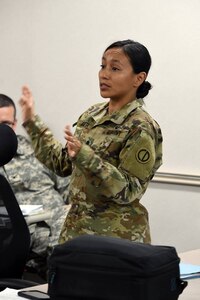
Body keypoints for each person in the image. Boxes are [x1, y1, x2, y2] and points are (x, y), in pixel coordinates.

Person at [19, 39, 163, 245]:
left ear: (138, 78)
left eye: (115, 68)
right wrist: (31, 120)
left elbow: (130, 190)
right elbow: (61, 163)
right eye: (102, 66)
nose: (104, 74)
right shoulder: (93, 114)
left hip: (116, 239)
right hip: (76, 232)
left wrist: (85, 155)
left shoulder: (140, 126)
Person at [0, 94, 70, 280]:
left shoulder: (36, 151)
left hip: (60, 222)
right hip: (27, 231)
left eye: (5, 124)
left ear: (14, 124)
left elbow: (68, 190)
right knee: (71, 255)